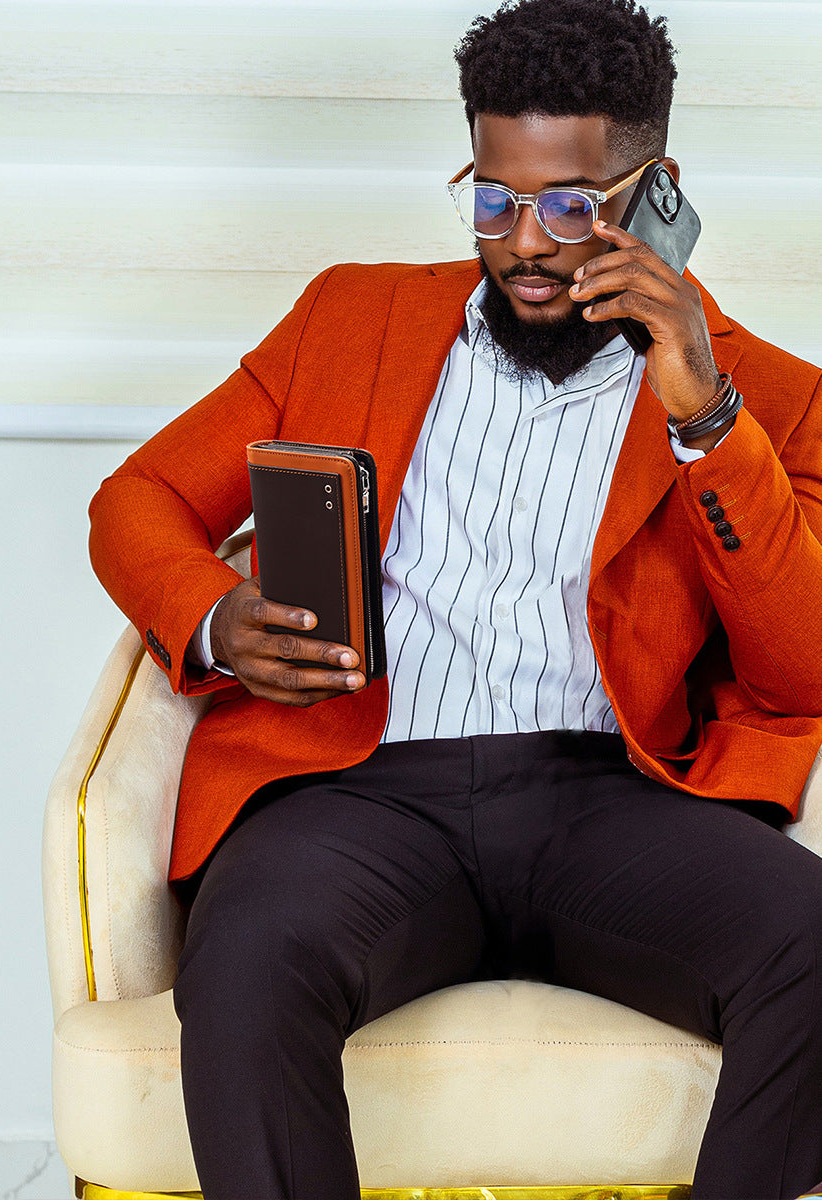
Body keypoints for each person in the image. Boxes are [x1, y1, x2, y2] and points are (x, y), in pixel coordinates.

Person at [88, 0, 822, 1196]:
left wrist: (703, 414)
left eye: (571, 204)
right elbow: (139, 497)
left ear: (657, 192)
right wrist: (220, 621)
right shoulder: (352, 319)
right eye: (493, 198)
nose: (526, 242)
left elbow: (806, 668)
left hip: (613, 800)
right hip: (362, 793)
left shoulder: (769, 401)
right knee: (253, 952)